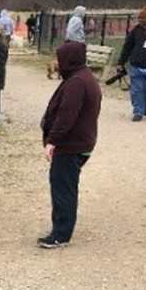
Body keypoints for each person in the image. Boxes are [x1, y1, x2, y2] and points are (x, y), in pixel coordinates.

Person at [37, 41, 101, 249]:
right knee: (65, 185)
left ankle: (61, 234)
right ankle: (61, 228)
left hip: (71, 145)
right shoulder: (83, 77)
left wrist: (53, 140)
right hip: (78, 142)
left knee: (63, 187)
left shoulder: (77, 83)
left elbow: (67, 115)